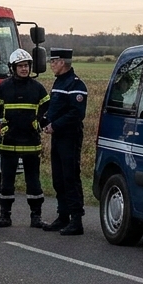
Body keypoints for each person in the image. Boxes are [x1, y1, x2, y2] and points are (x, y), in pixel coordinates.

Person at [0, 48, 50, 228]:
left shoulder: (37, 88)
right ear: (13, 68)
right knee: (6, 180)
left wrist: (38, 123)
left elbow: (47, 109)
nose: (24, 69)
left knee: (33, 181)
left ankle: (36, 216)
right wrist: (2, 125)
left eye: (26, 66)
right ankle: (4, 215)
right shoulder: (3, 87)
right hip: (9, 141)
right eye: (20, 66)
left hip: (31, 142)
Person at [43, 48, 87, 235]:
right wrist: (45, 122)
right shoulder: (59, 82)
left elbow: (76, 113)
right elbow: (55, 108)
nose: (51, 64)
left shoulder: (75, 85)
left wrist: (56, 125)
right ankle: (63, 216)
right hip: (58, 136)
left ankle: (76, 219)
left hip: (69, 136)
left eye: (54, 61)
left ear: (62, 62)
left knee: (70, 177)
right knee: (58, 178)